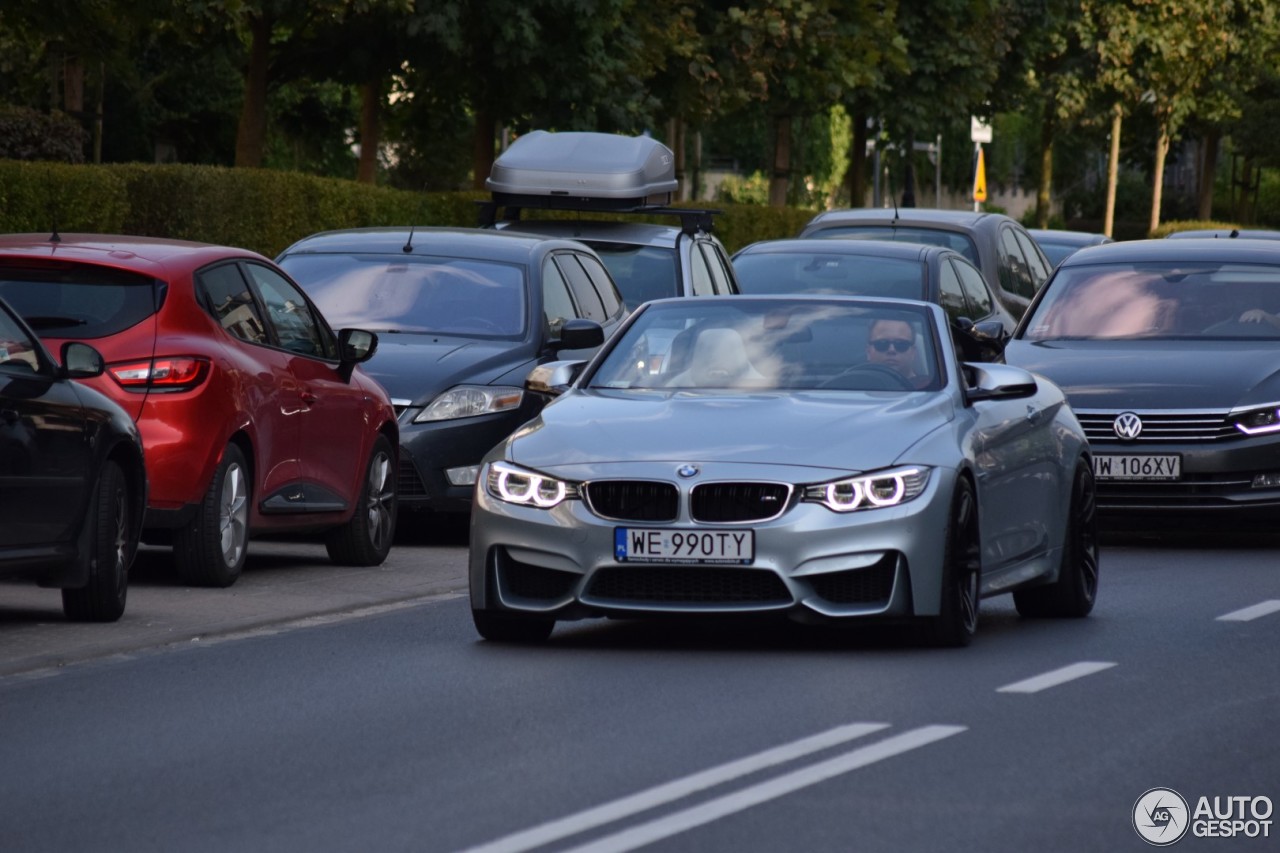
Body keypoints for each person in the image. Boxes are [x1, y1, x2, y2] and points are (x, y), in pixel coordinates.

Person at [865, 318, 928, 388]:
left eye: (901, 344)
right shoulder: (855, 386)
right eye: (882, 343)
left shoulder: (930, 389)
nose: (891, 350)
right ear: (868, 351)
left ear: (913, 352)